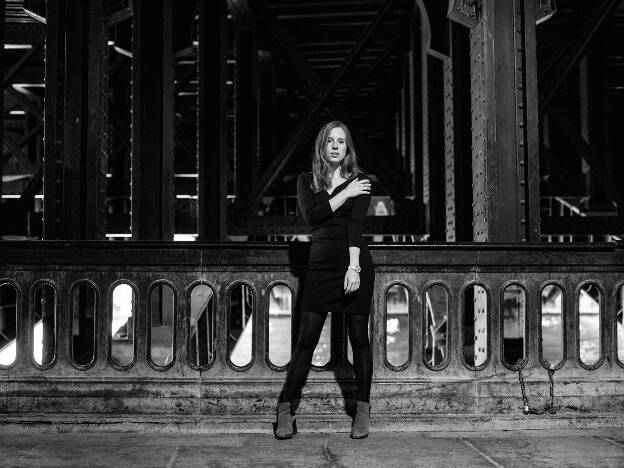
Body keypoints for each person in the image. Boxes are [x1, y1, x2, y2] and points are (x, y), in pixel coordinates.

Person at [276, 121, 375, 440]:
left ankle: (362, 409)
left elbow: (354, 227)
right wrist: (345, 192)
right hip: (319, 268)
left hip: (352, 264)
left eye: (341, 141)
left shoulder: (361, 181)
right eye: (330, 141)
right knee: (305, 340)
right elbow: (312, 216)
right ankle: (285, 409)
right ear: (322, 145)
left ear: (348, 149)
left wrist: (354, 268)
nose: (335, 146)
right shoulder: (307, 181)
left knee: (359, 338)